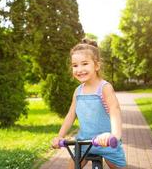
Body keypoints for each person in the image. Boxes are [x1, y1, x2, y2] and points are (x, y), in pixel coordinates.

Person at [51, 38, 126, 169]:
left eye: (84, 64)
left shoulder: (104, 87)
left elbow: (115, 111)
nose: (79, 69)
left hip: (106, 142)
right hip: (84, 143)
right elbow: (70, 115)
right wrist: (60, 136)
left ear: (96, 65)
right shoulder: (78, 91)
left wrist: (114, 135)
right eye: (75, 65)